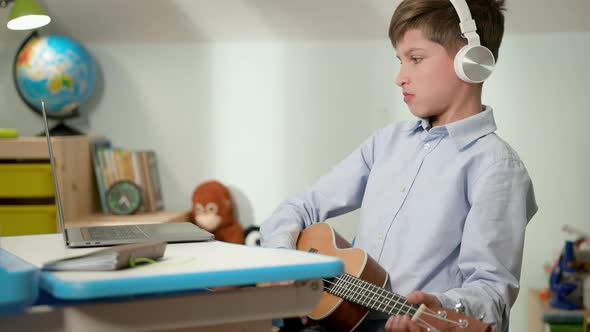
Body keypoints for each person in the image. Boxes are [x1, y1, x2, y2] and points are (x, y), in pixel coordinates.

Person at [260, 0, 538, 331]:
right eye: (400, 60)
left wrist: (443, 307)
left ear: (471, 62)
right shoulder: (386, 142)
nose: (400, 78)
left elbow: (491, 296)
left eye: (415, 59)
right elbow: (300, 206)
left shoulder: (496, 168)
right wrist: (286, 266)